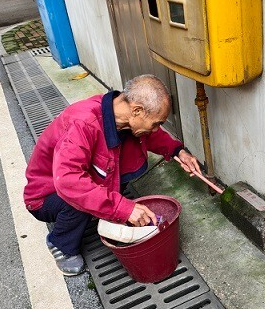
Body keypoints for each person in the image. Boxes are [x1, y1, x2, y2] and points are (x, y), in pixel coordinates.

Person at [23, 74, 201, 276]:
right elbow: (68, 182)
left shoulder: (120, 115)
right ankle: (60, 243)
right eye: (156, 123)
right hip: (47, 195)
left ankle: (97, 209)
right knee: (78, 197)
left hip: (78, 181)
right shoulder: (83, 122)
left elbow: (153, 136)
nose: (156, 129)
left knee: (127, 153)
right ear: (136, 110)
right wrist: (122, 208)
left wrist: (178, 151)